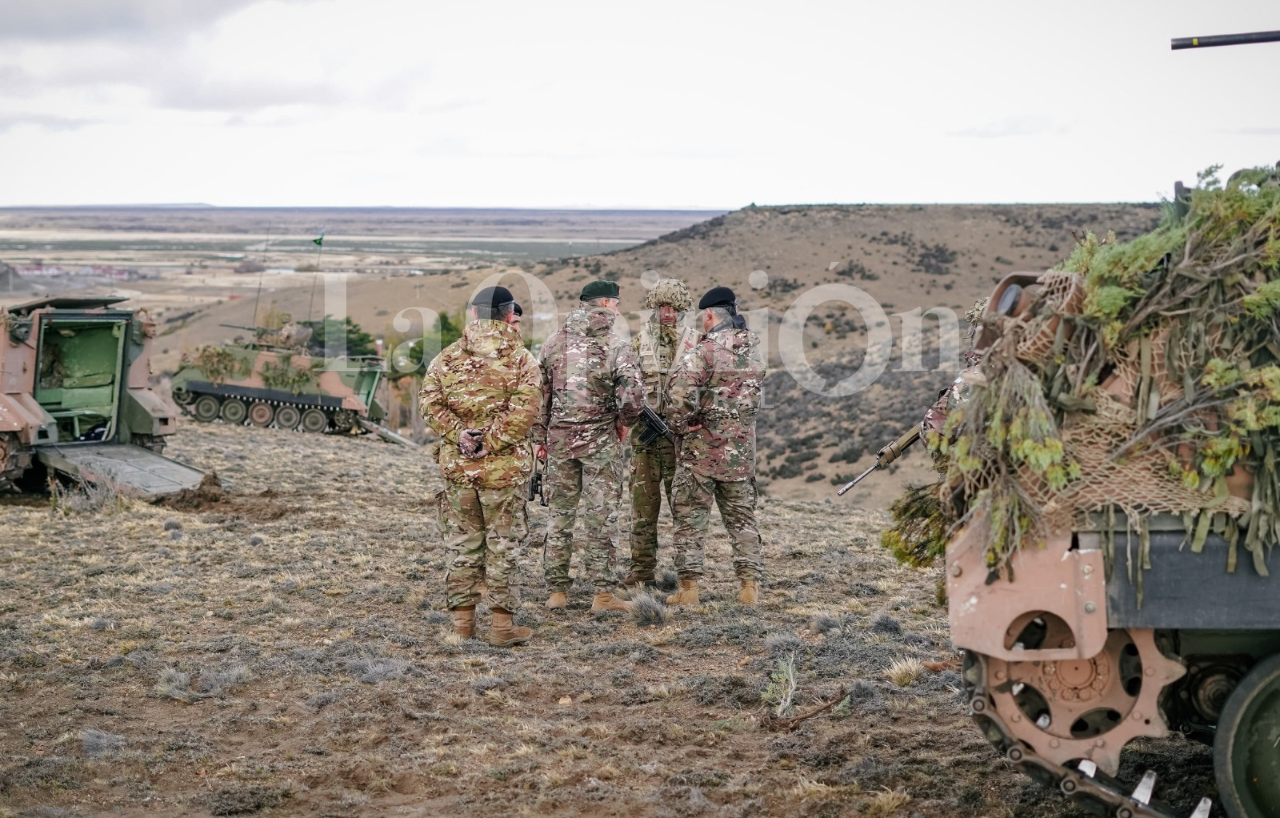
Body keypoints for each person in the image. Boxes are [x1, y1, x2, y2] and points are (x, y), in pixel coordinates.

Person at [419, 285, 541, 646]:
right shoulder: (521, 359)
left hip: (459, 470)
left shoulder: (446, 357)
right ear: (508, 315)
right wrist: (490, 441)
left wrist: (461, 436)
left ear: (474, 314)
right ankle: (502, 628)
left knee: (463, 545)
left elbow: (429, 404)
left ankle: (462, 626)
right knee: (502, 547)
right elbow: (525, 413)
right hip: (503, 473)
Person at [533, 280, 644, 612]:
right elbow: (633, 397)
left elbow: (539, 396)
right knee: (602, 517)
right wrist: (624, 422)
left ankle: (556, 592)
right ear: (607, 304)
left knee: (559, 516)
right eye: (617, 304)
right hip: (600, 445)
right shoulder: (617, 346)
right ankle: (603, 596)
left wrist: (540, 439)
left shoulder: (552, 344)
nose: (619, 310)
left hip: (559, 443)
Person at [666, 286, 767, 607]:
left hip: (701, 454)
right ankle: (748, 587)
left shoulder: (705, 352)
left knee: (690, 521)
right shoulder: (754, 351)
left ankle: (689, 590)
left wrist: (682, 426)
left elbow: (678, 395)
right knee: (742, 521)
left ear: (709, 315)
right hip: (740, 454)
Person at [621, 278, 699, 588]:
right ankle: (641, 571)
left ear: (681, 309)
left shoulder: (697, 342)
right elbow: (625, 381)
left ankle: (688, 575)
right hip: (646, 440)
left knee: (685, 510)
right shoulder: (640, 342)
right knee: (643, 508)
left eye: (673, 307)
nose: (667, 312)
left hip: (682, 442)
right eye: (661, 307)